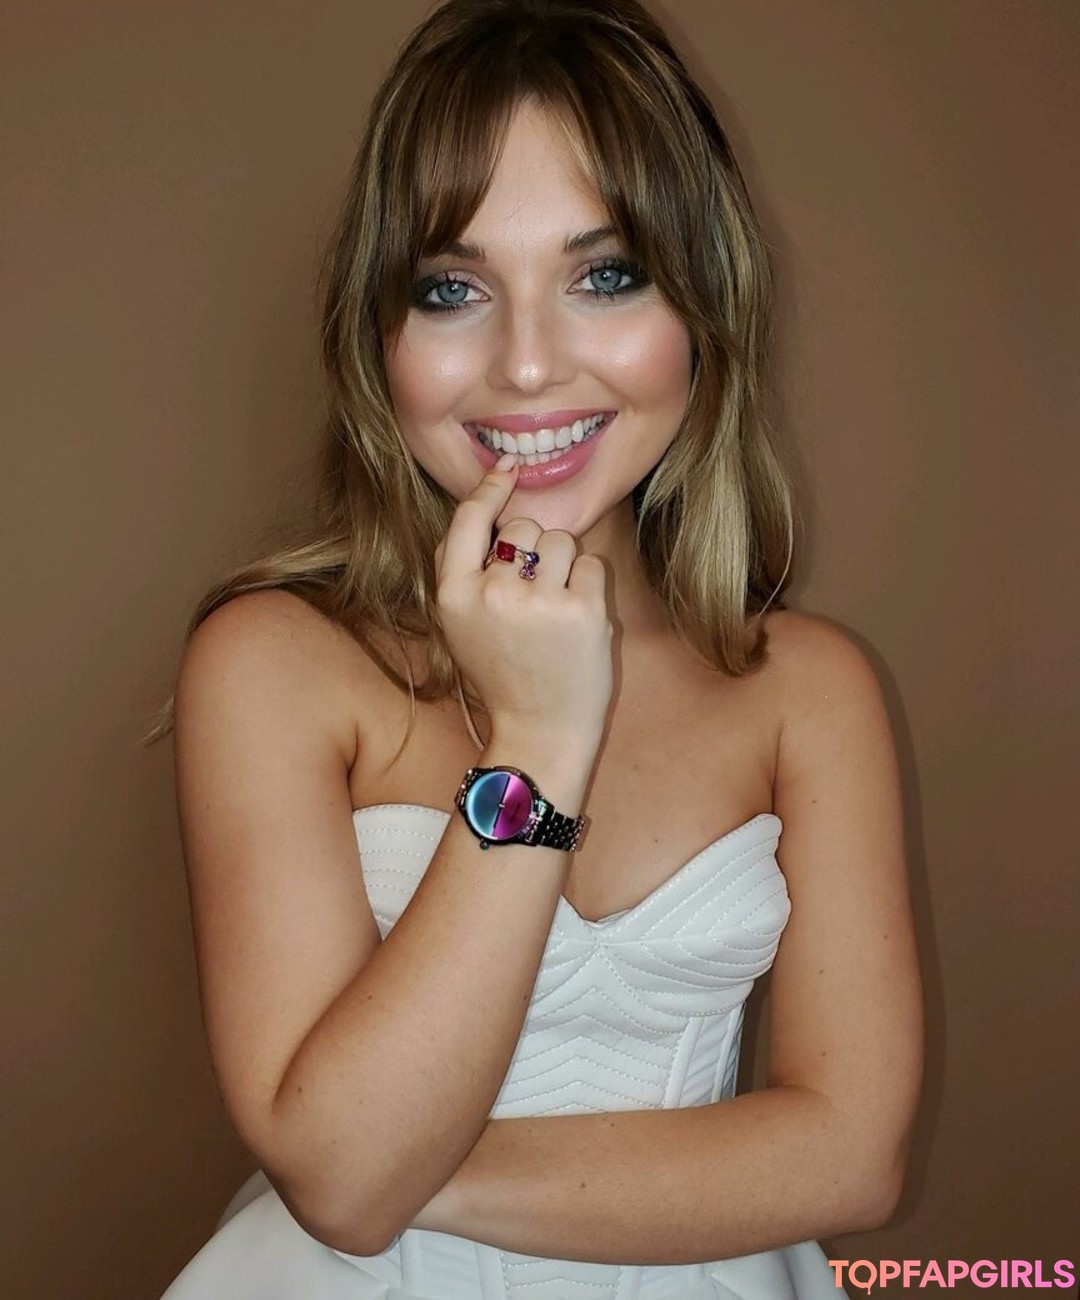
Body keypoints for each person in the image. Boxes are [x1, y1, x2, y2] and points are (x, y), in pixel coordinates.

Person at [154, 0, 922, 1295]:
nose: (524, 365)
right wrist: (540, 742)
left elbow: (853, 1157)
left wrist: (400, 1168)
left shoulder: (810, 690)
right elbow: (341, 1189)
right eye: (452, 289)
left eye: (604, 275)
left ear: (703, 308)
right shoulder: (273, 663)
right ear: (379, 335)